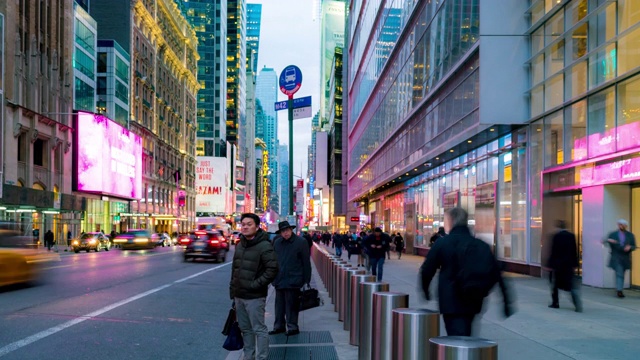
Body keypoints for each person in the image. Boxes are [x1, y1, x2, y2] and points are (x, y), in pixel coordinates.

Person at [420, 207, 513, 336]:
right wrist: (506, 302)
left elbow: (427, 270)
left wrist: (425, 291)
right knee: (466, 331)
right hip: (474, 299)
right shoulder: (480, 245)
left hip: (450, 300)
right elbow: (497, 272)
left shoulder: (442, 243)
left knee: (457, 337)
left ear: (451, 221)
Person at [230, 213, 279, 360]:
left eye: (249, 224)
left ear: (257, 227)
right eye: (243, 224)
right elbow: (235, 270)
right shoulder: (240, 244)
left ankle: (261, 357)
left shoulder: (264, 245)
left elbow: (273, 269)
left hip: (254, 296)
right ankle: (248, 357)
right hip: (239, 295)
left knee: (259, 329)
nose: (245, 226)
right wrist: (233, 290)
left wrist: (255, 285)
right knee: (245, 329)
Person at [270, 221, 311, 336]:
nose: (285, 233)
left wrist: (306, 279)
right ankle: (279, 326)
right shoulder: (277, 243)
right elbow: (273, 261)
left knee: (292, 304)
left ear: (291, 230)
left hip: (294, 279)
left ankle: (292, 326)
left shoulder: (301, 242)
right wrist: (273, 278)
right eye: (283, 231)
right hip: (279, 279)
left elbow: (306, 262)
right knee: (279, 305)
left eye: (287, 230)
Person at [548, 220, 582, 312]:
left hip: (558, 265)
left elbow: (553, 251)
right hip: (568, 265)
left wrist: (550, 264)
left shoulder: (556, 236)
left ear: (558, 227)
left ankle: (555, 303)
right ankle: (577, 304)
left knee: (555, 285)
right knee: (570, 286)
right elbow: (575, 251)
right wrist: (575, 264)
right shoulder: (571, 236)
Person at [605, 219, 637, 298]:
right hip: (616, 256)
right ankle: (619, 290)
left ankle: (619, 288)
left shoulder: (630, 235)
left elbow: (634, 246)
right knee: (619, 273)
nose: (621, 226)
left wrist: (630, 247)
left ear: (626, 226)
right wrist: (609, 240)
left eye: (623, 225)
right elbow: (605, 241)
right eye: (619, 224)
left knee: (622, 274)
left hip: (625, 257)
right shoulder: (613, 234)